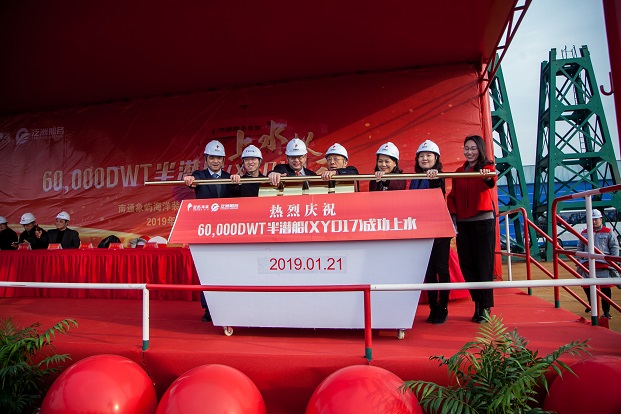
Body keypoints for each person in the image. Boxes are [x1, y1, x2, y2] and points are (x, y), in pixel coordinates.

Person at [446, 135, 497, 323]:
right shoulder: (459, 172)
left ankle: (486, 307)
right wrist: (453, 216)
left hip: (483, 222)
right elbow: (452, 196)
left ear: (480, 149)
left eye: (473, 148)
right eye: (466, 148)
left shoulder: (486, 167)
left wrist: (486, 176)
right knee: (467, 265)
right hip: (464, 223)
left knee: (484, 265)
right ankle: (477, 303)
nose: (469, 152)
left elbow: (490, 180)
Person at [184, 139, 233, 322]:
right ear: (206, 159)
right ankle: (208, 309)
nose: (215, 161)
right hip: (205, 231)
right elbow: (192, 180)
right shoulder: (199, 175)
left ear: (223, 160)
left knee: (225, 270)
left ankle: (226, 306)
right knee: (207, 271)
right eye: (212, 157)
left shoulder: (229, 177)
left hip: (226, 232)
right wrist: (189, 180)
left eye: (219, 158)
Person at [409, 140, 452, 324]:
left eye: (428, 155)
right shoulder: (414, 179)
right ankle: (433, 306)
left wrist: (434, 178)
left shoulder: (438, 176)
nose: (425, 159)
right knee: (428, 271)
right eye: (421, 156)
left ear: (436, 158)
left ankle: (443, 307)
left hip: (440, 229)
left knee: (441, 268)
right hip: (422, 229)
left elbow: (438, 189)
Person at [576, 208, 619, 319]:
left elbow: (614, 247)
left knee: (605, 289)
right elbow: (580, 248)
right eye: (592, 219)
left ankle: (606, 311)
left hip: (604, 264)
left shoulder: (608, 232)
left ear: (601, 219)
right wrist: (579, 261)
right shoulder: (584, 233)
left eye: (596, 219)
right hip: (588, 265)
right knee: (587, 287)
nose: (594, 221)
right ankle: (592, 305)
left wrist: (613, 261)